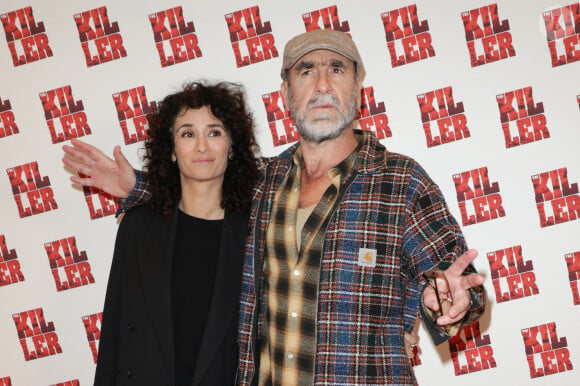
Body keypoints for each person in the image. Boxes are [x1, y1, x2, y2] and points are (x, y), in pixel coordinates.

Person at [64, 30, 486, 385]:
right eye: (306, 71)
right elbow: (196, 197)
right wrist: (135, 186)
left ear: (358, 89)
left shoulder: (402, 182)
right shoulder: (261, 182)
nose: (322, 84)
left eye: (336, 69)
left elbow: (459, 287)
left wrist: (449, 304)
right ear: (286, 93)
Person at [86, 81, 259, 385]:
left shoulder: (255, 232)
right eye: (188, 133)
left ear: (232, 148)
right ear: (172, 151)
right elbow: (114, 327)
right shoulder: (139, 226)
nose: (202, 146)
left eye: (214, 132)